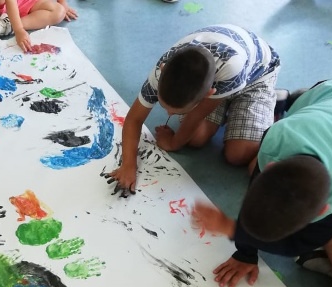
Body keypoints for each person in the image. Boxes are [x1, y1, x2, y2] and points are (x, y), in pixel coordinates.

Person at [192, 76, 332, 287]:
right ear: (271, 166)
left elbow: (296, 243)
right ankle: (291, 99)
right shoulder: (276, 139)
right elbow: (258, 198)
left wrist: (231, 228)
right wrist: (246, 252)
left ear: (324, 210)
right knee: (252, 166)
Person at [106, 25, 281, 196]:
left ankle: (271, 105)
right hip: (218, 77)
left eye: (176, 111)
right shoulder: (161, 74)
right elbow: (134, 120)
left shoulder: (230, 70)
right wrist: (128, 165)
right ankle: (229, 105)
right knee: (196, 139)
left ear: (208, 94)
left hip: (258, 75)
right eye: (165, 106)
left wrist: (174, 143)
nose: (169, 115)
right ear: (162, 71)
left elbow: (197, 114)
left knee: (238, 155)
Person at [0, 0, 78, 52]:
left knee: (59, 12)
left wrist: (62, 3)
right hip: (3, 2)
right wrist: (19, 30)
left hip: (30, 3)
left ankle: (9, 23)